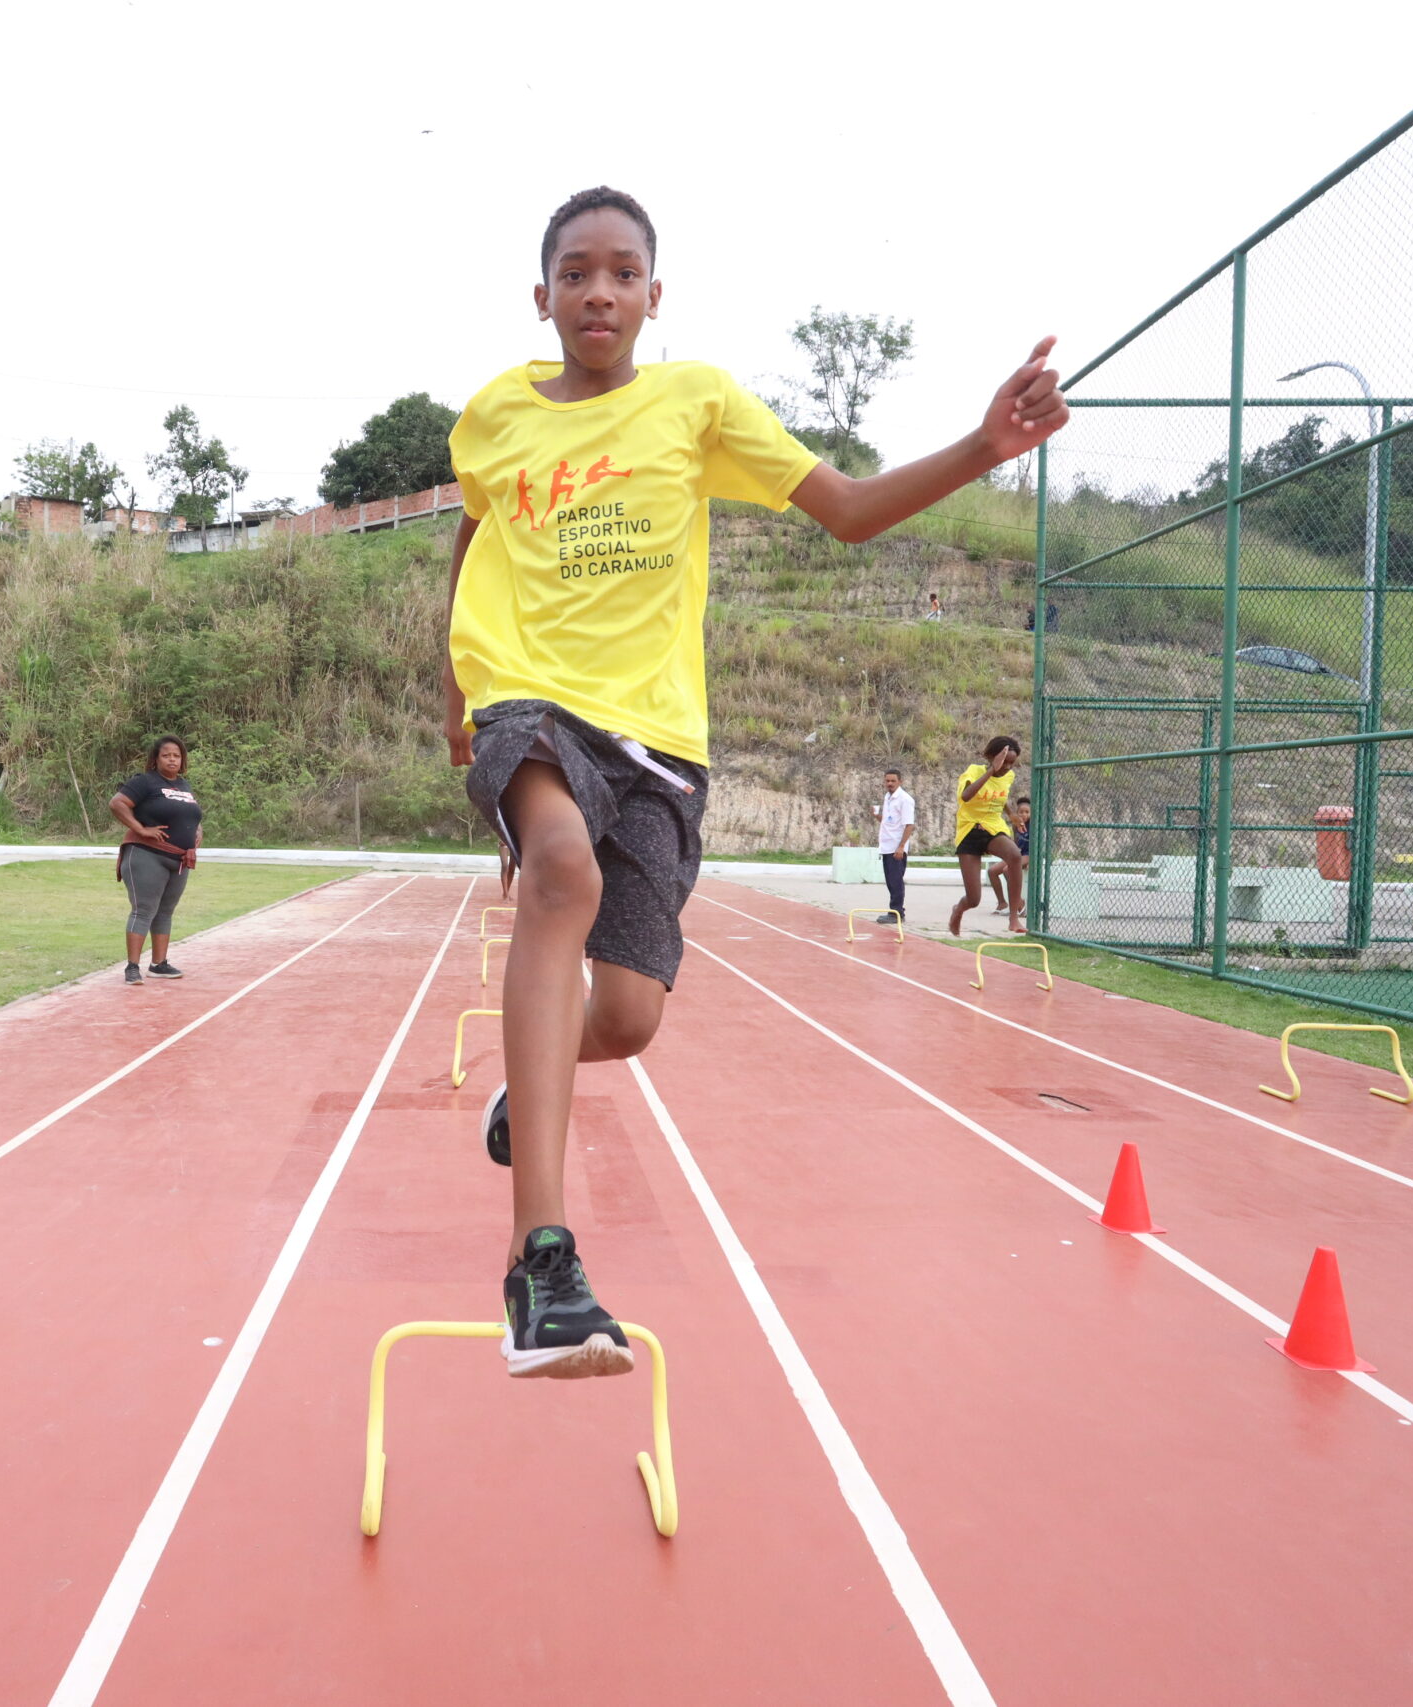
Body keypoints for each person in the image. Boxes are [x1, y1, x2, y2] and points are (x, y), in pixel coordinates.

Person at [443, 185, 1067, 1377]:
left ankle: (534, 1088)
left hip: (660, 740)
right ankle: (542, 1264)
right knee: (555, 873)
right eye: (575, 272)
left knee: (624, 1020)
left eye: (622, 272)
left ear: (653, 297)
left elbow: (843, 512)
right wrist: (455, 691)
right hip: (527, 700)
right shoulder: (494, 417)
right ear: (542, 296)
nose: (598, 292)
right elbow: (475, 528)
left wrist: (985, 448)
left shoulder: (698, 404)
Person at [107, 736, 200, 984]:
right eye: (166, 755)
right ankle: (132, 968)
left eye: (177, 755)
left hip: (178, 860)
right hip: (147, 855)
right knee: (144, 909)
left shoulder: (184, 785)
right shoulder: (145, 782)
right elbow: (117, 803)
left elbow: (191, 815)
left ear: (182, 760)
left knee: (165, 911)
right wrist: (141, 829)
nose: (172, 759)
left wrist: (196, 832)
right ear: (155, 759)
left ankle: (159, 964)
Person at [948, 736, 1027, 937]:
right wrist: (992, 770)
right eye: (1004, 761)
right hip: (970, 829)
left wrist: (1010, 814)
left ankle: (1013, 918)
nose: (1007, 766)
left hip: (992, 827)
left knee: (1015, 855)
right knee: (974, 899)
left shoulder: (1008, 777)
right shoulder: (973, 771)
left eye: (1012, 762)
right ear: (991, 757)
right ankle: (958, 909)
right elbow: (966, 796)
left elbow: (999, 796)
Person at [875, 767, 915, 924]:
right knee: (890, 881)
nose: (889, 783)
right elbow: (888, 821)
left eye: (893, 781)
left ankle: (897, 912)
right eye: (887, 781)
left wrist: (901, 847)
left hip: (896, 847)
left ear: (900, 781)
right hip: (886, 845)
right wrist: (877, 816)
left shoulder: (905, 799)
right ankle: (894, 911)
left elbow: (909, 825)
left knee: (896, 880)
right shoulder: (888, 797)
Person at [989, 794, 1032, 914]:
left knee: (1008, 870)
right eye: (1021, 812)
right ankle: (1002, 903)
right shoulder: (1015, 825)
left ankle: (1019, 902)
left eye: (1027, 812)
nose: (1024, 815)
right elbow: (1015, 842)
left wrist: (1028, 862)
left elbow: (1037, 846)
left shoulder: (1034, 826)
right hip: (1019, 854)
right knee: (992, 871)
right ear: (1016, 814)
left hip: (1030, 855)